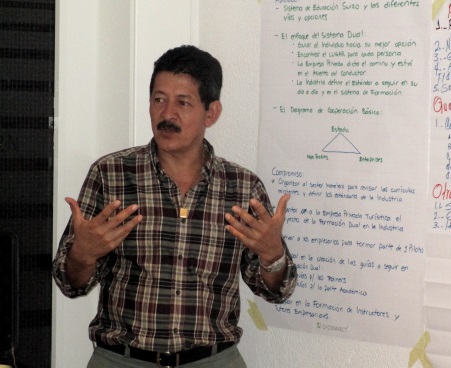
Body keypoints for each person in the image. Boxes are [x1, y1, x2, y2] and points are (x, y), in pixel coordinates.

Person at [52, 45, 297, 368]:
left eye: (183, 103)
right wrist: (82, 255)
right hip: (122, 360)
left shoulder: (242, 187)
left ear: (211, 113)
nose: (167, 114)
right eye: (159, 99)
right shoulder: (111, 174)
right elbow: (70, 283)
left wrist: (272, 255)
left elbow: (277, 291)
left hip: (212, 360)